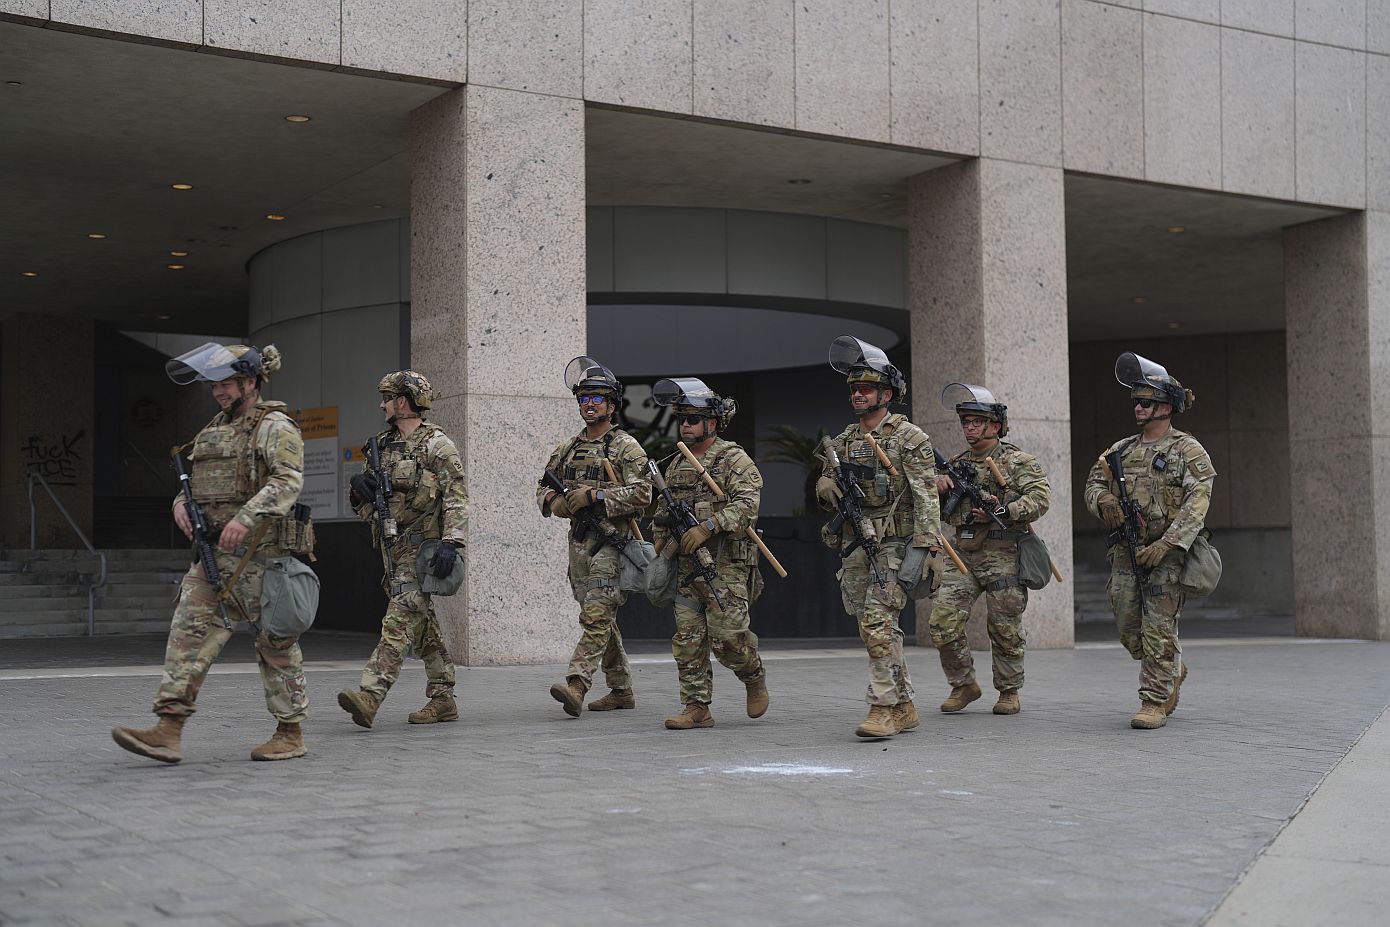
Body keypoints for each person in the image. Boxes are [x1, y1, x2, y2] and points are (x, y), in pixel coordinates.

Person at [111, 342, 312, 763]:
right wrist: (179, 506)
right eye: (214, 385)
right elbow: (195, 485)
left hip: (263, 558)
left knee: (276, 645)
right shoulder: (212, 430)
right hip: (212, 557)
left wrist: (246, 518)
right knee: (187, 635)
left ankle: (290, 732)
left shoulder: (275, 426)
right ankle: (168, 729)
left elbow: (287, 481)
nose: (218, 392)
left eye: (226, 384)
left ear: (251, 382)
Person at [816, 336, 940, 739]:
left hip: (896, 544)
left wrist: (929, 547)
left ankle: (882, 707)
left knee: (877, 622)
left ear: (887, 394)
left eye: (866, 388)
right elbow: (826, 477)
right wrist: (824, 486)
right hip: (856, 543)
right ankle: (904, 706)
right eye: (854, 388)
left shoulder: (910, 437)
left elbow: (927, 496)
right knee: (874, 627)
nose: (858, 394)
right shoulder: (844, 440)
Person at [1084, 352, 1213, 729]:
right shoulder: (1120, 451)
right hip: (1125, 553)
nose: (1138, 407)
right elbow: (1092, 484)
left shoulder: (1186, 450)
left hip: (1167, 557)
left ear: (1167, 407)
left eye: (1146, 402)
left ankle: (1154, 701)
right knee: (1129, 627)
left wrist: (1168, 544)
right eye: (1136, 401)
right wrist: (1103, 501)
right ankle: (1172, 667)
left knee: (1158, 627)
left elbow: (1198, 500)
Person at [337, 370, 467, 729]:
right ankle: (443, 697)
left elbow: (457, 497)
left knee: (400, 618)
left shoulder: (437, 445)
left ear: (405, 401)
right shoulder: (380, 447)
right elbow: (365, 506)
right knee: (421, 624)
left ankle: (370, 694)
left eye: (387, 398)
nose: (382, 405)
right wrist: (359, 490)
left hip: (424, 550)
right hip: (391, 548)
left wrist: (452, 542)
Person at [649, 377, 768, 730]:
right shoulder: (676, 464)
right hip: (686, 566)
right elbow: (663, 509)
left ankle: (753, 675)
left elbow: (748, 505)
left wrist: (709, 526)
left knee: (729, 639)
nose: (685, 425)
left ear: (712, 423)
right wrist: (661, 541)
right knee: (687, 640)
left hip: (725, 565)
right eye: (681, 419)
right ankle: (696, 706)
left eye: (693, 419)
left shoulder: (733, 458)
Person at [926, 384, 1051, 715]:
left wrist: (1004, 509)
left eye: (976, 422)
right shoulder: (955, 464)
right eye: (965, 422)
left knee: (1004, 626)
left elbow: (1040, 499)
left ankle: (1009, 690)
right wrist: (937, 488)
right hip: (963, 553)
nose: (969, 427)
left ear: (995, 425)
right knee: (942, 621)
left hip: (1003, 553)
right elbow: (936, 510)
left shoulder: (1017, 461)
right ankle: (963, 683)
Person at [538, 356, 651, 717]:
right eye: (584, 398)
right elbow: (542, 488)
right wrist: (556, 502)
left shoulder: (625, 446)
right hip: (579, 546)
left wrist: (596, 496)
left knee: (597, 616)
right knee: (600, 618)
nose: (590, 404)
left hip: (612, 542)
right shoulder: (567, 448)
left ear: (612, 405)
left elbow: (644, 492)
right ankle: (621, 690)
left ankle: (577, 684)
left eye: (598, 398)